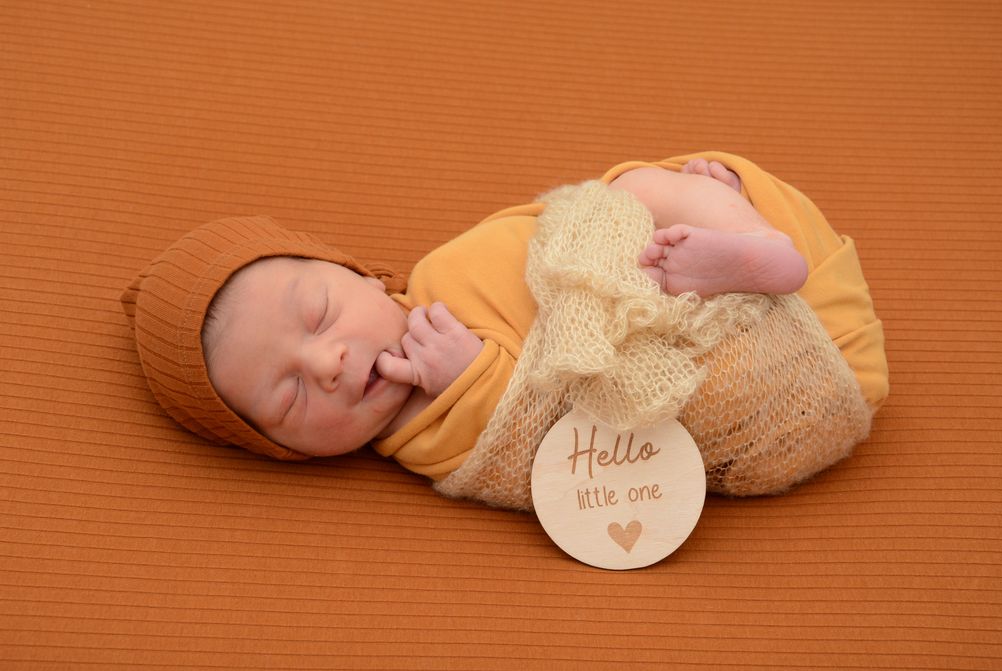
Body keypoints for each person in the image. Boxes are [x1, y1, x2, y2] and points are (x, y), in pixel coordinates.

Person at [121, 152, 888, 501]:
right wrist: (474, 384)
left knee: (628, 188)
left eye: (319, 314)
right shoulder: (423, 441)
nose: (327, 362)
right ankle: (733, 235)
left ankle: (739, 235)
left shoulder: (440, 277)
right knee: (641, 195)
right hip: (785, 385)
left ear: (359, 273)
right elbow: (551, 465)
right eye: (289, 396)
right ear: (283, 450)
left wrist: (628, 223)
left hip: (787, 290)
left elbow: (563, 223)